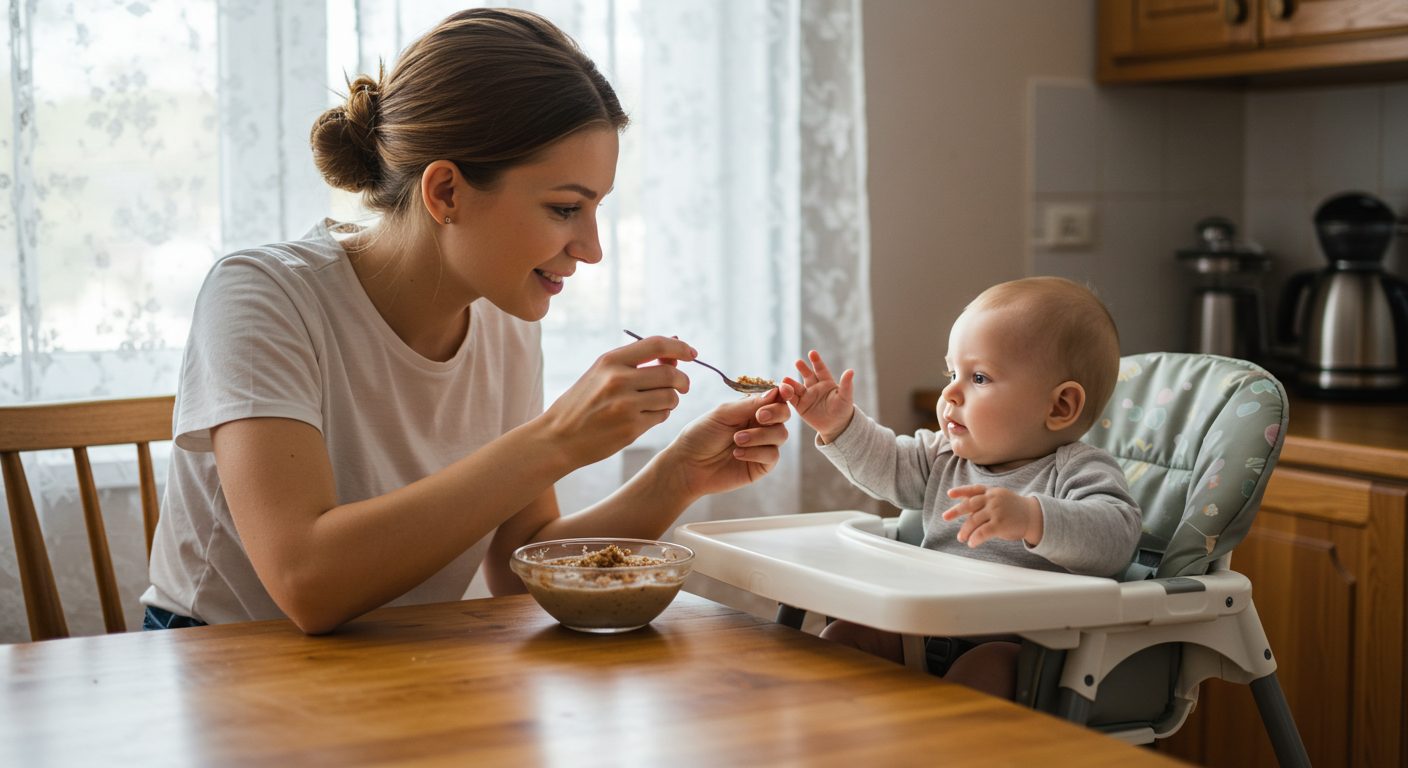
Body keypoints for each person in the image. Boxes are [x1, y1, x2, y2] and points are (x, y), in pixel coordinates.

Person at [140, 8, 790, 634]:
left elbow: (521, 563)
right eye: (566, 208)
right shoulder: (264, 295)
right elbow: (306, 582)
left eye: (597, 211)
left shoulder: (507, 315)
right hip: (219, 664)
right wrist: (557, 439)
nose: (592, 248)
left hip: (392, 668)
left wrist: (678, 475)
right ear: (445, 191)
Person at [778, 276, 1139, 698]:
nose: (950, 391)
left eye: (979, 378)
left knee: (987, 668)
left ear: (1059, 406)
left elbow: (1116, 537)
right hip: (924, 631)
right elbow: (888, 463)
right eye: (951, 372)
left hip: (1023, 646)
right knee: (846, 635)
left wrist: (1031, 517)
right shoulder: (945, 456)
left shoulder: (1077, 470)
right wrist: (839, 425)